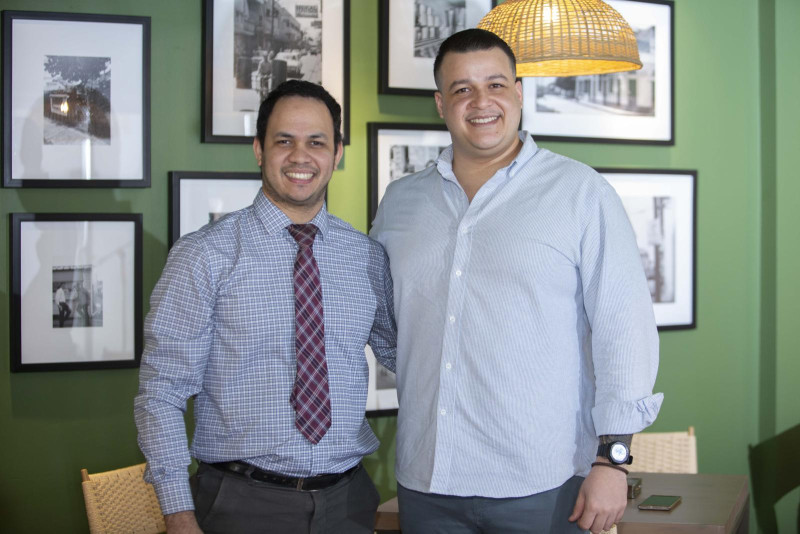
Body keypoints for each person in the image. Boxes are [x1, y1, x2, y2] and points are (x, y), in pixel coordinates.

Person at [370, 29, 663, 534]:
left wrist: (613, 461)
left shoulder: (581, 193)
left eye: (496, 85)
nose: (481, 102)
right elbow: (387, 322)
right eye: (462, 89)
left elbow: (624, 330)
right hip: (427, 481)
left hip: (542, 486)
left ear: (520, 93)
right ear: (441, 104)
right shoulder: (399, 203)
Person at [135, 80, 396, 534]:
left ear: (337, 154)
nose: (300, 156)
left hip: (350, 503)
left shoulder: (366, 257)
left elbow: (408, 358)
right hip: (241, 505)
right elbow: (162, 391)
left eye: (317, 142)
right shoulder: (204, 255)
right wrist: (178, 512)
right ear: (259, 150)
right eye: (283, 141)